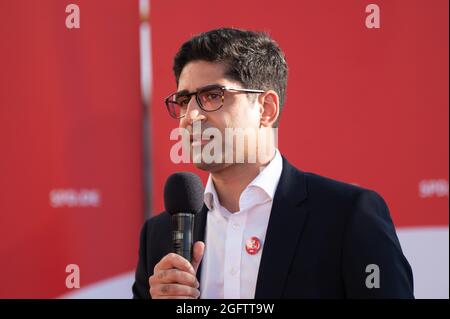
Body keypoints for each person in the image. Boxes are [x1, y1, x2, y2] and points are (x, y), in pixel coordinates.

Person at [132, 28, 414, 299]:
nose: (190, 116)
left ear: (266, 108)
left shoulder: (347, 216)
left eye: (212, 96)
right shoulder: (160, 235)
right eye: (183, 101)